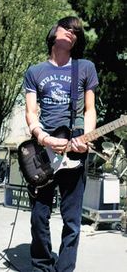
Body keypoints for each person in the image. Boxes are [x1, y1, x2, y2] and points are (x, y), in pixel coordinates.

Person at [24, 16, 99, 272]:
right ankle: (42, 265)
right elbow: (31, 113)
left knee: (72, 220)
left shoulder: (85, 67)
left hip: (75, 142)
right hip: (44, 146)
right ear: (53, 32)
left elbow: (90, 110)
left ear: (76, 41)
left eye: (75, 31)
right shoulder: (35, 72)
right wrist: (43, 137)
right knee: (38, 217)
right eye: (65, 27)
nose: (70, 31)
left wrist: (86, 137)